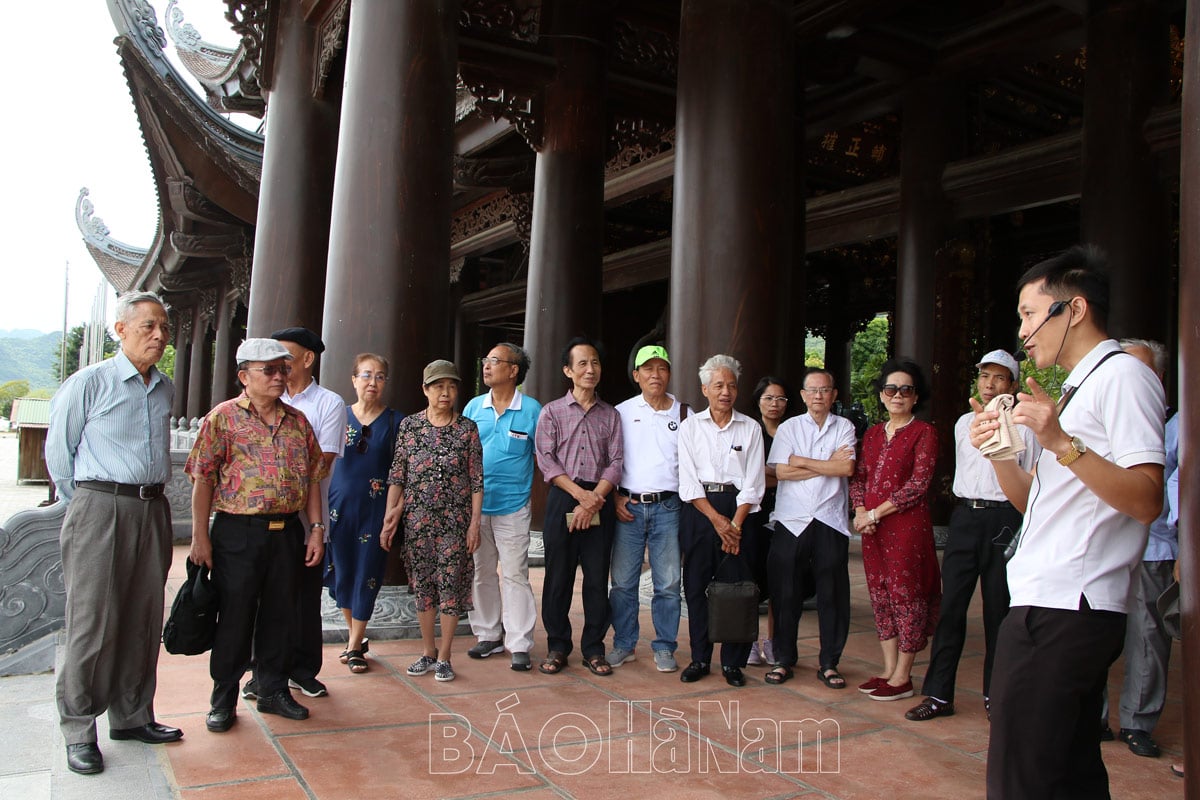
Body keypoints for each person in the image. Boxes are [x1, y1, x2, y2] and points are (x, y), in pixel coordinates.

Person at [971, 246, 1165, 798]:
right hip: (1047, 597)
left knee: (1023, 776)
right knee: (1069, 773)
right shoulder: (1079, 386)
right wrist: (1002, 453)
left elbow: (1148, 498)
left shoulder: (1124, 376)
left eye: (1031, 314)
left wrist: (1058, 441)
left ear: (1073, 310)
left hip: (1067, 605)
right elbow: (1037, 504)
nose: (1024, 332)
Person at [46, 291, 179, 775]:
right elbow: (60, 455)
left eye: (164, 327)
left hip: (152, 507)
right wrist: (85, 503)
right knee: (92, 622)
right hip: (101, 506)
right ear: (120, 330)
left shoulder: (163, 387)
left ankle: (132, 715)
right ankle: (79, 728)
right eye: (148, 326)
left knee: (144, 617)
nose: (159, 336)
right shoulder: (91, 382)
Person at [186, 338, 328, 733]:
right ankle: (224, 697)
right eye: (269, 370)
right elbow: (202, 479)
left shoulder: (298, 422)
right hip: (237, 532)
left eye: (283, 369)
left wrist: (316, 529)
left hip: (286, 533)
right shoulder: (223, 418)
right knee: (235, 614)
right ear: (244, 376)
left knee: (282, 614)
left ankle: (272, 689)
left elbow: (313, 479)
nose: (280, 377)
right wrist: (201, 536)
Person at [905, 350, 1039, 722]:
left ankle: (997, 695)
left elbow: (1033, 479)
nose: (990, 385)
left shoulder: (1027, 427)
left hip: (1005, 518)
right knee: (951, 610)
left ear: (1012, 385)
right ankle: (938, 694)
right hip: (966, 516)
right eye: (984, 377)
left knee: (1000, 610)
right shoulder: (965, 422)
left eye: (999, 378)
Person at [238, 327, 345, 701]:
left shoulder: (328, 404)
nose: (276, 365)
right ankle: (263, 673)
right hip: (262, 520)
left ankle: (303, 670)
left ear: (307, 359)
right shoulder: (255, 401)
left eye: (284, 355)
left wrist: (277, 478)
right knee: (262, 598)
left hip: (306, 520)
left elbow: (324, 461)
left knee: (303, 598)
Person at [381, 360, 483, 683]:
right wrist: (390, 513)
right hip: (418, 522)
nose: (446, 392)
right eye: (438, 386)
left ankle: (445, 655)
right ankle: (427, 651)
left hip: (455, 522)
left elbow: (477, 480)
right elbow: (398, 473)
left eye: (451, 386)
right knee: (424, 587)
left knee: (451, 586)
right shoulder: (410, 427)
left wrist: (474, 523)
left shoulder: (467, 429)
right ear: (425, 389)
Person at [1099, 338, 1177, 757]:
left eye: (1141, 372)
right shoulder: (1098, 419)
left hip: (1154, 546)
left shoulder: (1177, 427)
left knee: (1147, 636)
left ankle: (1138, 721)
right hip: (1103, 544)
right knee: (1092, 631)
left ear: (1159, 379)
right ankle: (1094, 714)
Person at [850, 358, 940, 702]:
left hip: (907, 529)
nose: (897, 395)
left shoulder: (924, 433)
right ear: (882, 396)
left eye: (906, 389)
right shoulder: (872, 434)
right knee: (880, 594)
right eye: (891, 389)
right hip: (873, 530)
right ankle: (888, 669)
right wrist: (861, 511)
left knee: (907, 596)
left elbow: (918, 484)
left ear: (916, 396)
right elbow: (859, 478)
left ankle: (904, 675)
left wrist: (874, 512)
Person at [534, 336, 623, 677]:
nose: (590, 369)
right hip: (564, 496)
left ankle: (594, 648)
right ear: (568, 370)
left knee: (598, 578)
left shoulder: (611, 415)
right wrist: (580, 496)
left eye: (595, 362)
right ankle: (558, 646)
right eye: (582, 363)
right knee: (558, 576)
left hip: (598, 497)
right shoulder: (552, 412)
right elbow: (547, 461)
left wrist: (594, 497)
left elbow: (616, 462)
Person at [677, 354, 766, 687]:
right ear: (705, 389)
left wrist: (735, 525)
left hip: (741, 509)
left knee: (736, 588)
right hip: (701, 510)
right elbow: (687, 482)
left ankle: (733, 663)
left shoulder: (751, 427)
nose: (725, 391)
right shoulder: (689, 427)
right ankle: (700, 658)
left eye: (731, 385)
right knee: (696, 586)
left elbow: (754, 483)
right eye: (718, 385)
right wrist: (717, 521)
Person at [764, 367, 856, 688]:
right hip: (791, 519)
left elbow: (845, 467)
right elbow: (781, 473)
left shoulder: (844, 427)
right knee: (785, 592)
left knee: (832, 593)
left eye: (825, 390)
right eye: (812, 390)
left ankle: (829, 662)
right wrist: (824, 465)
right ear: (803, 396)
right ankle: (783, 659)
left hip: (829, 518)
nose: (819, 396)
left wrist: (801, 460)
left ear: (833, 395)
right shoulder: (789, 427)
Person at [463, 343, 542, 671]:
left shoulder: (532, 410)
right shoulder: (473, 407)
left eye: (495, 361)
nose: (487, 366)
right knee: (482, 573)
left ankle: (519, 642)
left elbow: (543, 459)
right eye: (486, 359)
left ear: (513, 370)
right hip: (477, 508)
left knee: (514, 574)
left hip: (513, 507)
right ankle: (488, 634)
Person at [324, 353, 404, 674]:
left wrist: (395, 510)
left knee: (368, 573)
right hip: (337, 508)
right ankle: (356, 637)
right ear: (354, 379)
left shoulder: (396, 422)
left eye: (380, 376)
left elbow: (402, 471)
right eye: (367, 375)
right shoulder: (338, 416)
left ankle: (355, 644)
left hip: (376, 510)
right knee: (341, 573)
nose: (373, 382)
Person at [609, 345, 686, 673]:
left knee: (668, 582)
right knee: (623, 582)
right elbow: (609, 460)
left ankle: (665, 645)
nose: (656, 375)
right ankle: (624, 643)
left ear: (669, 373)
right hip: (628, 506)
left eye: (662, 368)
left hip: (669, 506)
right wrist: (614, 496)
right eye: (648, 369)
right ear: (636, 375)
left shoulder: (684, 414)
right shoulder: (621, 412)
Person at [747, 376, 794, 666]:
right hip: (754, 511)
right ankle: (749, 641)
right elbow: (750, 474)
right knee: (752, 577)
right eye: (768, 398)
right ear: (758, 402)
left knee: (781, 581)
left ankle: (773, 641)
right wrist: (786, 474)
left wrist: (772, 474)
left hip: (789, 512)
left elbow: (801, 469)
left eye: (780, 399)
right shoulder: (752, 432)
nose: (774, 404)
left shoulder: (793, 432)